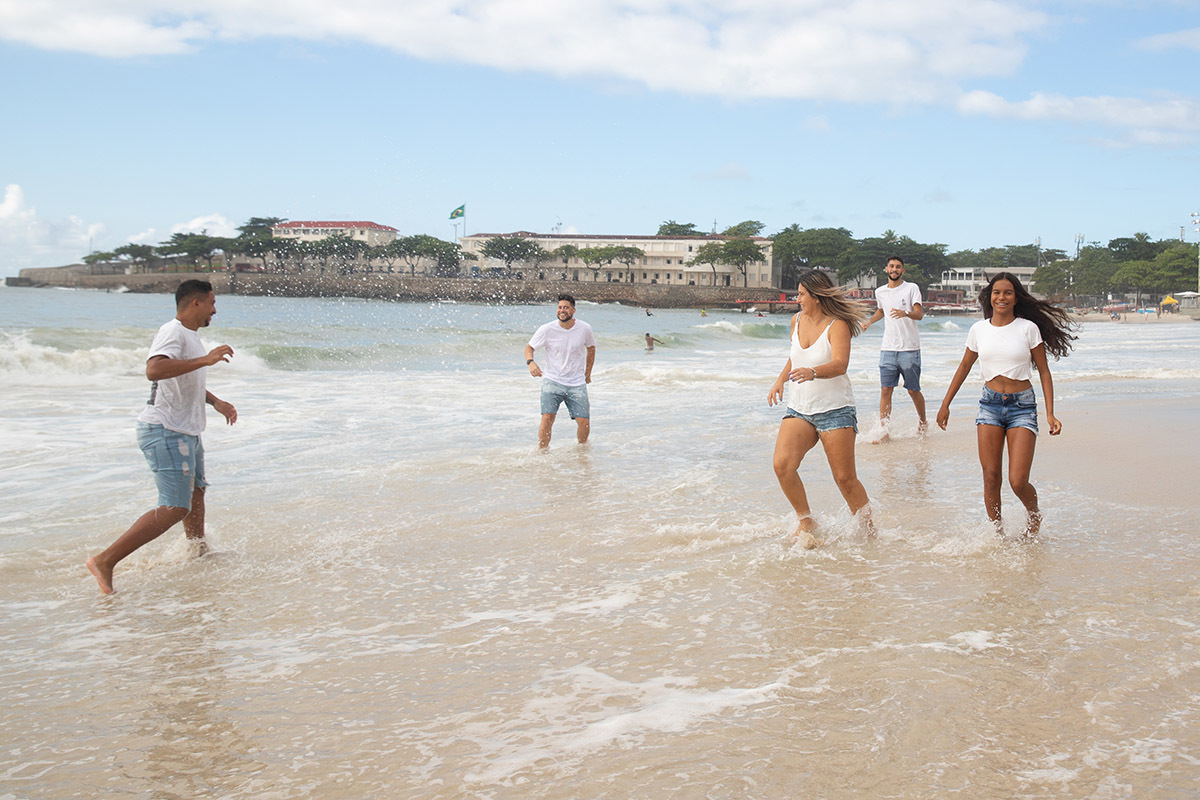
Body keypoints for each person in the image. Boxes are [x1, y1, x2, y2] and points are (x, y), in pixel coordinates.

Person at [86, 280, 238, 594]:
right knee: (174, 507)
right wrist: (205, 360)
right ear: (195, 304)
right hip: (166, 430)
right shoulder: (172, 331)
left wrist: (215, 401)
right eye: (212, 303)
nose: (215, 309)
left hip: (187, 430)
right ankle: (105, 560)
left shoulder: (191, 338)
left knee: (196, 494)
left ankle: (197, 552)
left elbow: (183, 378)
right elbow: (155, 371)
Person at [936, 272, 1077, 538]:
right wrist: (945, 404)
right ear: (990, 297)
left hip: (1022, 407)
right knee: (991, 476)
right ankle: (997, 534)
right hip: (989, 405)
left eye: (1008, 292)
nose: (1001, 297)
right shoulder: (979, 329)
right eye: (997, 292)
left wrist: (1049, 413)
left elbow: (1044, 372)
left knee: (1017, 481)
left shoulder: (1027, 328)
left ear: (1016, 297)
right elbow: (965, 366)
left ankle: (1034, 515)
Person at [768, 270, 873, 548]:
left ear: (816, 296)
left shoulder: (837, 325)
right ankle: (806, 519)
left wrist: (813, 372)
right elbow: (795, 357)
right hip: (799, 408)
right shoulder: (796, 320)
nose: (797, 298)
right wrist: (780, 380)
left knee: (844, 478)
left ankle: (868, 531)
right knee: (782, 465)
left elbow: (840, 364)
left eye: (802, 294)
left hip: (835, 410)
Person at [862, 256, 926, 440]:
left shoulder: (911, 288)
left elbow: (919, 314)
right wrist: (869, 322)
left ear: (902, 270)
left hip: (909, 348)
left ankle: (922, 422)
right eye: (891, 266)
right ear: (886, 269)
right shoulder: (880, 291)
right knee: (885, 389)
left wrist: (905, 313)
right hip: (888, 348)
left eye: (898, 267)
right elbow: (881, 311)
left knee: (913, 390)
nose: (894, 269)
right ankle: (884, 431)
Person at [525, 294, 596, 449]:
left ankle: (582, 451)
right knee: (547, 417)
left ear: (573, 310)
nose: (562, 310)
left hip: (576, 383)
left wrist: (588, 373)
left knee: (583, 421)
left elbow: (591, 349)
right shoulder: (546, 329)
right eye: (559, 307)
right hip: (552, 380)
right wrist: (531, 363)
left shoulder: (584, 328)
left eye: (566, 307)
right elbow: (529, 348)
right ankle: (542, 452)